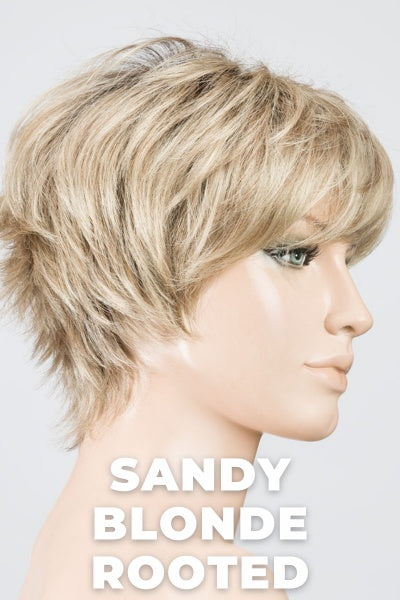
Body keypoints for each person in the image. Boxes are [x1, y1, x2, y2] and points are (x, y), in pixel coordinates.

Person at [0, 36, 393, 599]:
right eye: (293, 254)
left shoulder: (72, 547)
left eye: (346, 261)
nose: (355, 313)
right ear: (135, 266)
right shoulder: (208, 583)